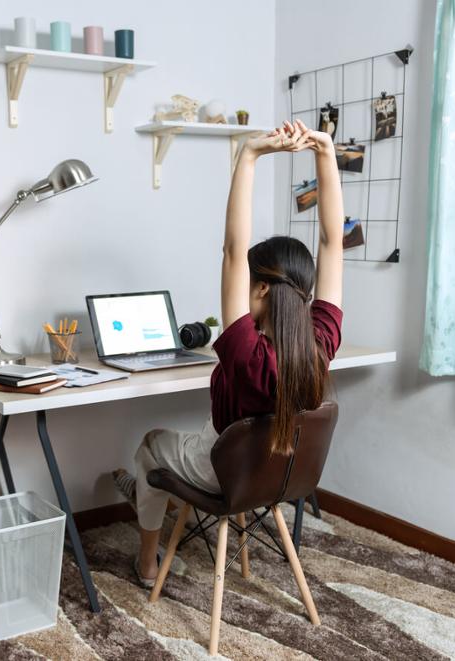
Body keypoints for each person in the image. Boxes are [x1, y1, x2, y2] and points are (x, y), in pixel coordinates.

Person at [113, 119, 345, 586]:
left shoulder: (244, 350)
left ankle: (146, 558)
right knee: (174, 446)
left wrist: (250, 155)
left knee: (148, 445)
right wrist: (326, 151)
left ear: (258, 287)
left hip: (221, 470)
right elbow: (333, 242)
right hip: (276, 476)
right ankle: (147, 494)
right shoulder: (321, 342)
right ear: (305, 291)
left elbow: (232, 250)